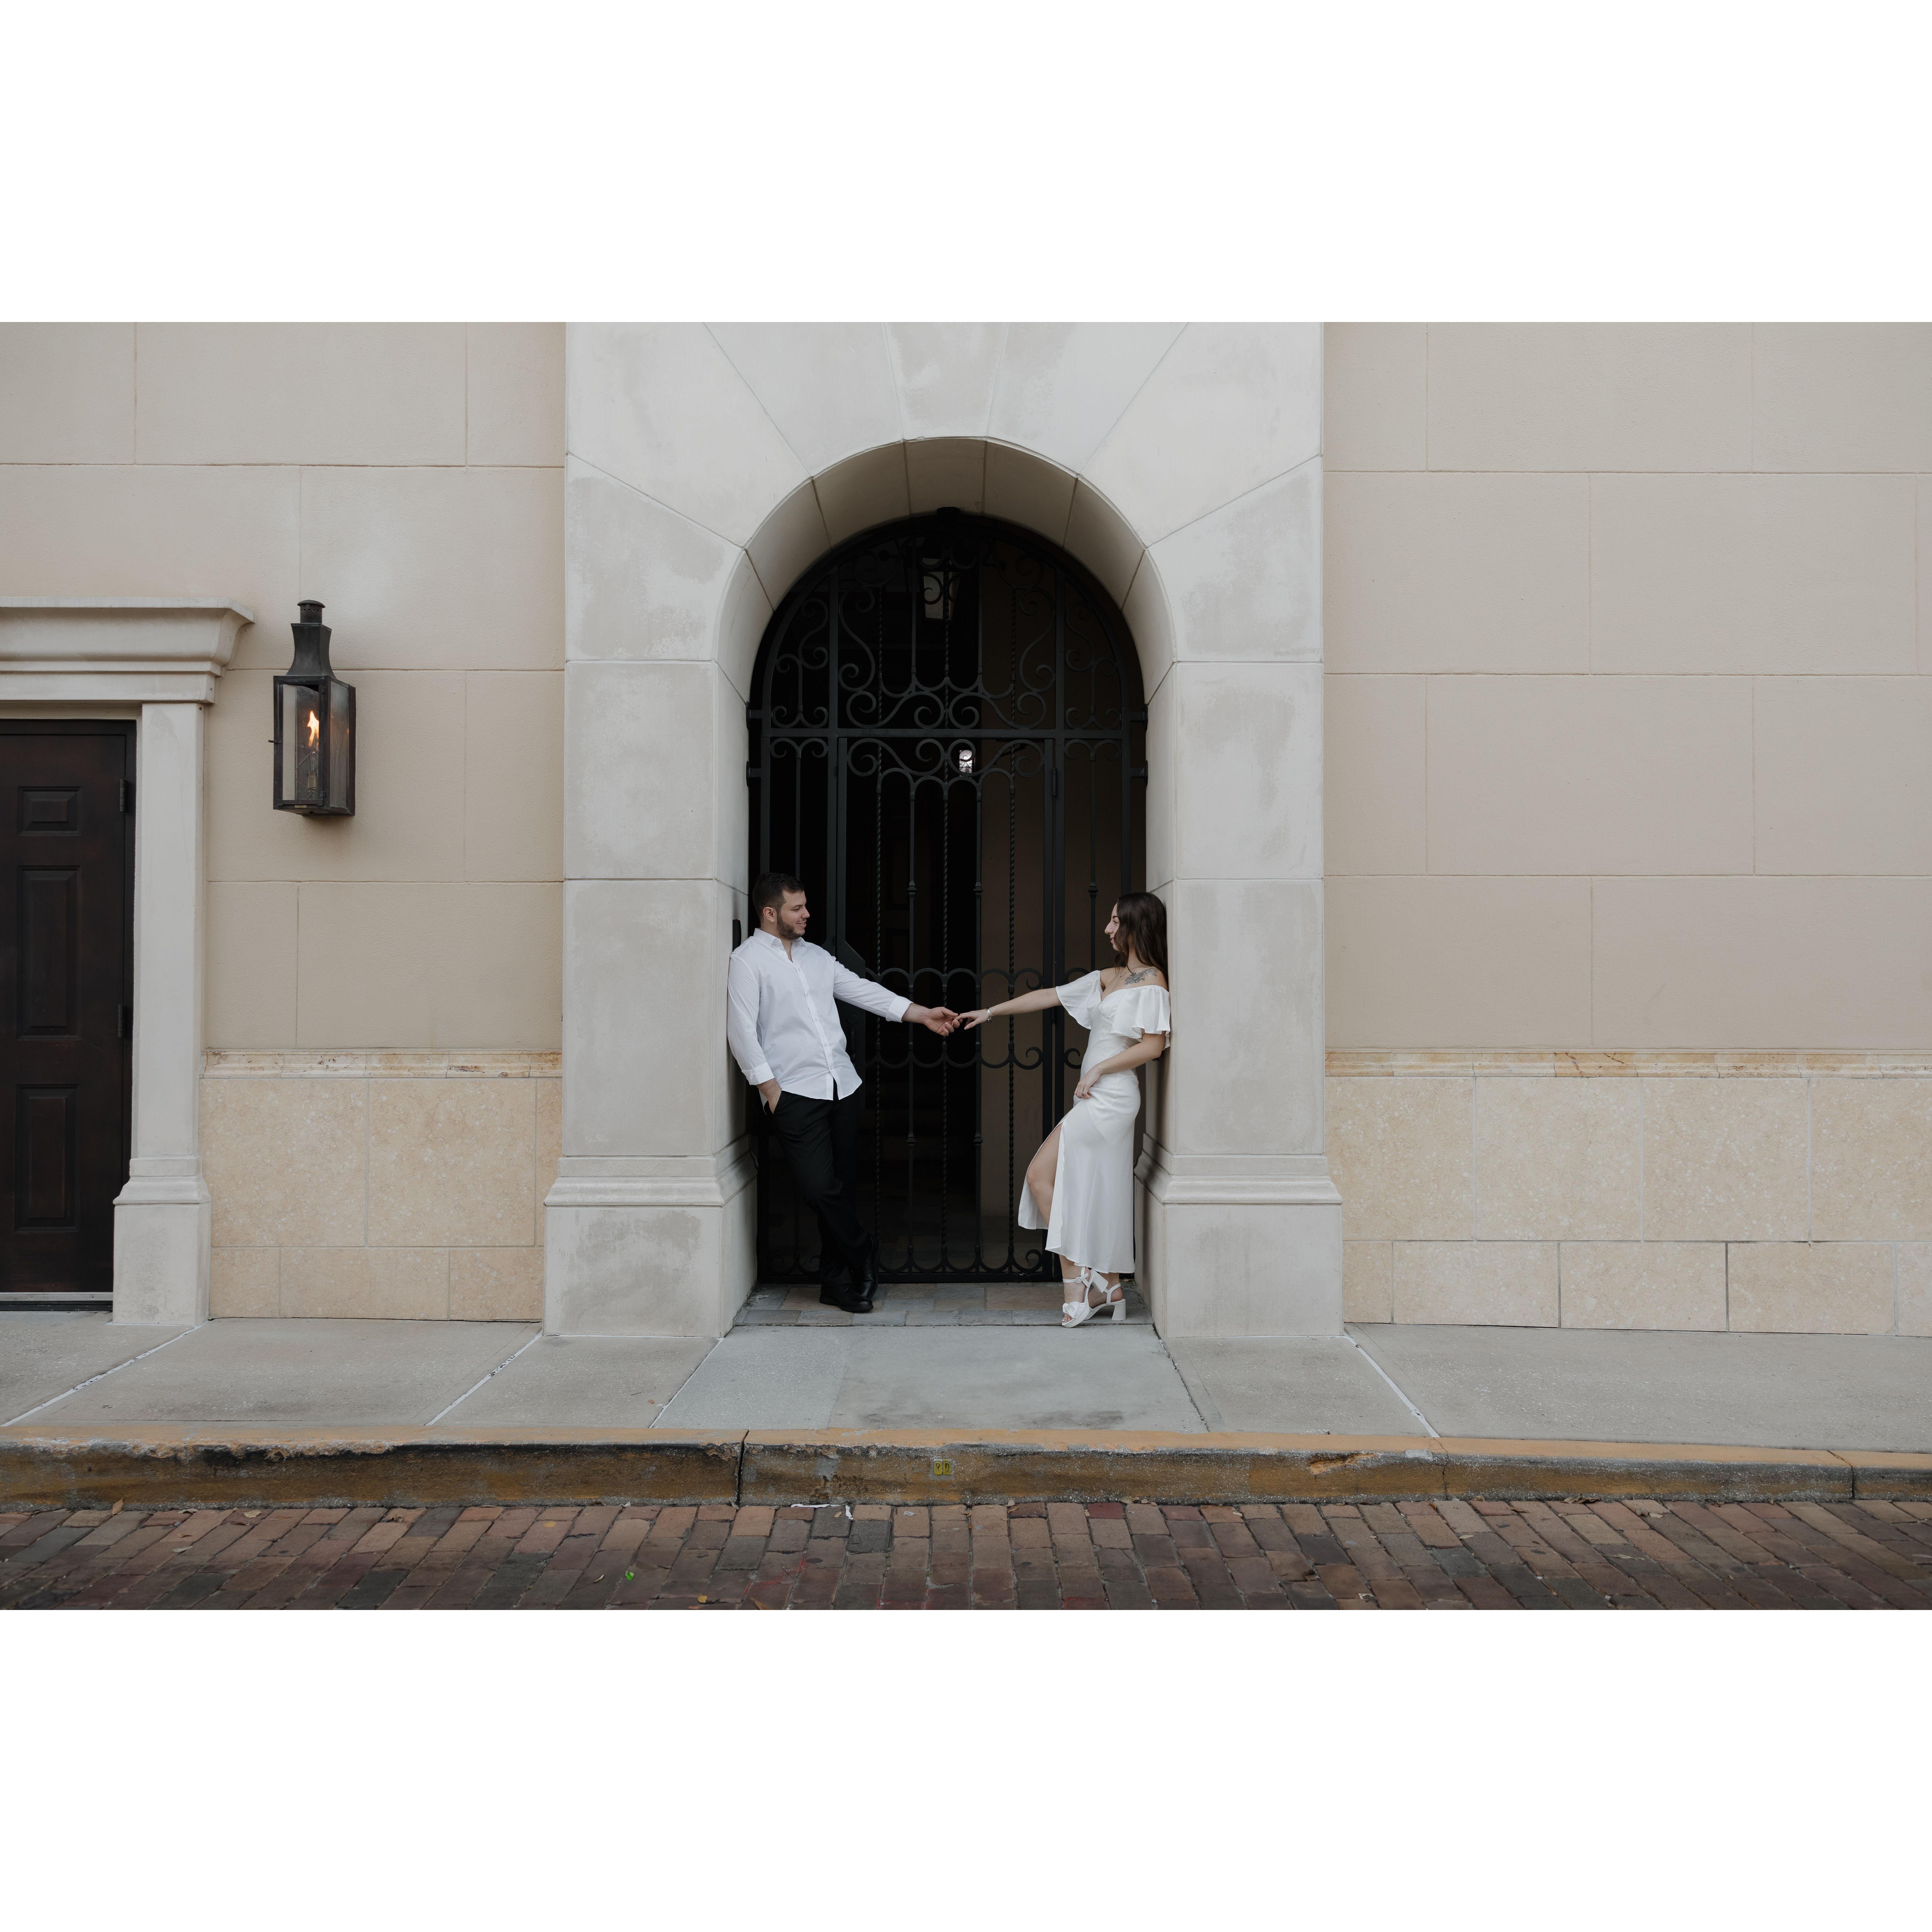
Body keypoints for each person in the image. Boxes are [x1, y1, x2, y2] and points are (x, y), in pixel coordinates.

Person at [727, 873, 960, 1312]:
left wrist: (921, 1014)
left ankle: (836, 1282)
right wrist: (771, 1091)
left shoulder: (817, 956)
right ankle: (863, 1249)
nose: (807, 914)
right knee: (819, 1189)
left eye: (805, 906)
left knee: (841, 1188)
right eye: (797, 908)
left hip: (842, 1086)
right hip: (793, 1094)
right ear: (771, 913)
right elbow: (741, 1031)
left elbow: (863, 991)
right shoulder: (747, 961)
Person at [960, 893, 1170, 1327]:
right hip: (1094, 1096)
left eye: (1116, 922)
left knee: (1040, 1176)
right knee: (1088, 1187)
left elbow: (1154, 1046)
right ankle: (1109, 1285)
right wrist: (990, 1012)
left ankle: (1077, 1280)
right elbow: (1049, 996)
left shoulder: (1153, 981)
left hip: (1111, 1098)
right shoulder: (1112, 977)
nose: (1108, 929)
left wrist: (1100, 1070)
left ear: (1137, 925)